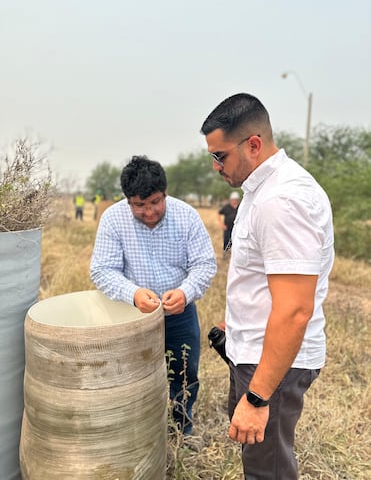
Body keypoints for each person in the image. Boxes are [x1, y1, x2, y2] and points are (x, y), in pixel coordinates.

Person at [200, 93, 334, 479]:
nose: (215, 167)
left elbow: (294, 311)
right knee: (257, 459)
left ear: (253, 144)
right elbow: (261, 279)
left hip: (273, 366)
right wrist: (236, 323)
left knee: (268, 471)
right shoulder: (261, 191)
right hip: (255, 350)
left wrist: (257, 398)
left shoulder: (283, 200)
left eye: (220, 156)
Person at [90, 155, 216, 435]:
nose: (149, 212)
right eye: (139, 205)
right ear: (128, 200)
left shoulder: (186, 216)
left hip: (180, 313)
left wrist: (185, 292)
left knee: (184, 373)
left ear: (165, 193)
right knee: (130, 374)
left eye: (155, 202)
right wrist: (133, 294)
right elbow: (102, 270)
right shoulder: (113, 219)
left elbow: (204, 264)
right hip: (131, 314)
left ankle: (180, 430)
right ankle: (137, 431)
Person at [218, 191, 240, 257]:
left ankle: (235, 255)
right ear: (230, 200)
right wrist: (221, 224)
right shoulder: (226, 207)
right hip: (227, 228)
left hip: (237, 228)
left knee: (237, 242)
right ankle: (225, 254)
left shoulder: (240, 207)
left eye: (236, 200)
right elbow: (218, 214)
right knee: (227, 241)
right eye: (233, 200)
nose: (234, 201)